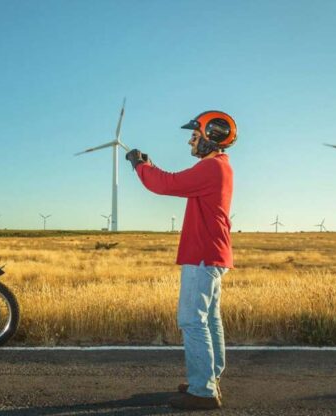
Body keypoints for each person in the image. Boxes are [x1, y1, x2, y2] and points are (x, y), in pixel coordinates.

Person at [125, 111, 236, 410]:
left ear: (211, 137)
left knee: (191, 319)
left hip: (202, 254)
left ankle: (202, 391)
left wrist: (141, 165)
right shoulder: (220, 167)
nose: (191, 138)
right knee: (210, 319)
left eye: (195, 134)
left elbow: (166, 184)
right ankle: (208, 378)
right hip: (213, 253)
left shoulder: (211, 167)